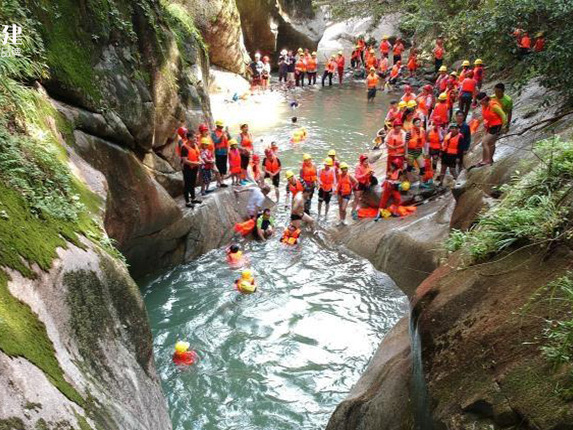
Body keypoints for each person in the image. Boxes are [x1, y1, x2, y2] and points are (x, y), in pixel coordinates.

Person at [476, 92, 507, 166]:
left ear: (483, 100)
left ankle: (488, 160)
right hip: (490, 126)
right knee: (491, 143)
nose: (480, 104)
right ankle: (487, 159)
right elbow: (486, 116)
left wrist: (504, 126)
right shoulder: (485, 106)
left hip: (497, 126)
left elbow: (503, 115)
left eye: (480, 102)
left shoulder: (494, 106)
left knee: (484, 142)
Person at [180, 130, 202, 207]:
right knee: (187, 184)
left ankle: (193, 198)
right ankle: (187, 202)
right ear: (189, 138)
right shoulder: (184, 147)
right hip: (187, 168)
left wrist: (200, 160)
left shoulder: (195, 145)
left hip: (194, 167)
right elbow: (185, 161)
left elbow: (197, 155)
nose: (196, 138)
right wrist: (196, 163)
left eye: (196, 137)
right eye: (194, 137)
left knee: (193, 183)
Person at [352, 154, 375, 219]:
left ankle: (360, 209)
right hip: (359, 184)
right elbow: (357, 177)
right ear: (361, 162)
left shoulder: (368, 166)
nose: (366, 163)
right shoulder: (358, 167)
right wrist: (365, 175)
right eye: (365, 162)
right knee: (356, 199)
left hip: (366, 183)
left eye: (367, 161)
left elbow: (371, 171)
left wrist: (371, 173)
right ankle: (353, 212)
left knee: (361, 198)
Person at [212, 120, 229, 185]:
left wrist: (227, 133)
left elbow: (228, 141)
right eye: (220, 127)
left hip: (224, 151)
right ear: (217, 126)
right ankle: (218, 181)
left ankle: (222, 180)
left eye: (222, 127)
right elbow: (216, 141)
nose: (221, 128)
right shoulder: (214, 133)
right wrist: (221, 137)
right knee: (219, 166)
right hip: (218, 152)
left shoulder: (224, 132)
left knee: (224, 166)